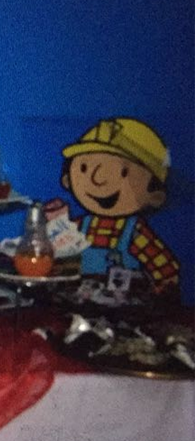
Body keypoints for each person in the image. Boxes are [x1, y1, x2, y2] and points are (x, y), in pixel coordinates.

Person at [59, 117, 180, 303]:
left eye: (123, 173)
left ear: (154, 196)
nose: (98, 179)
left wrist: (159, 301)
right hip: (81, 307)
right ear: (68, 180)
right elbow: (59, 268)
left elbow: (166, 273)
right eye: (84, 168)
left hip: (126, 310)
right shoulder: (78, 227)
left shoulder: (134, 232)